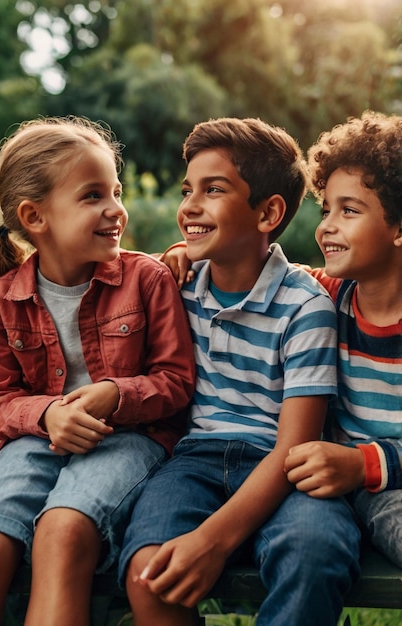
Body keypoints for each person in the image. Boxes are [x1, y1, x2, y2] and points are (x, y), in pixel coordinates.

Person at [119, 117, 361, 626]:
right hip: (194, 462)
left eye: (214, 190)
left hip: (286, 468)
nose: (189, 207)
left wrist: (212, 540)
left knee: (315, 550)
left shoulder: (304, 305)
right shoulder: (176, 287)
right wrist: (175, 258)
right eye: (188, 190)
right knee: (149, 571)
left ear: (268, 212)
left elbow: (295, 448)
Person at [0, 116, 195, 626]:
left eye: (117, 191)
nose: (116, 210)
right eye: (92, 196)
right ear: (35, 216)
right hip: (35, 441)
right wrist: (48, 415)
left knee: (63, 530)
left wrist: (112, 395)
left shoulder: (147, 278)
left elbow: (176, 382)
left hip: (130, 436)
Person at [284, 110, 402, 568]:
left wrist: (362, 465)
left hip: (388, 487)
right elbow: (251, 270)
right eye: (326, 208)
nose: (326, 226)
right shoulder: (324, 294)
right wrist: (180, 256)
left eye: (349, 210)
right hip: (322, 488)